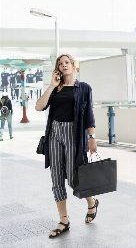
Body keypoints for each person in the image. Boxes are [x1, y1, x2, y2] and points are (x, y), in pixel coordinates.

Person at [35, 54, 99, 238]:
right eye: (60, 64)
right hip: (54, 132)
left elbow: (89, 114)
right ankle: (63, 220)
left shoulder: (84, 88)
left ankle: (92, 202)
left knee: (73, 178)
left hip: (73, 133)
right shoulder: (55, 88)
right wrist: (52, 85)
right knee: (56, 177)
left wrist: (92, 137)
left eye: (67, 63)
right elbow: (39, 107)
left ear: (74, 66)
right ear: (57, 69)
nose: (64, 65)